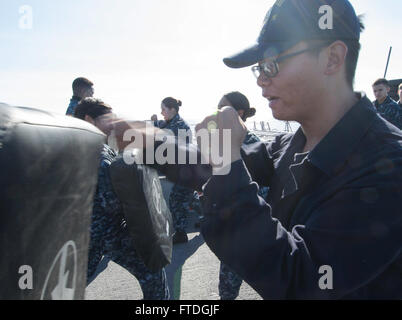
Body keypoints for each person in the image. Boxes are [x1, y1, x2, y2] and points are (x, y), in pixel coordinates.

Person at [112, 0, 402, 299]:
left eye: (271, 63)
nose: (262, 79)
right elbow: (205, 166)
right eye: (258, 68)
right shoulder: (293, 143)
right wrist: (143, 142)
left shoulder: (389, 166)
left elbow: (302, 279)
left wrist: (227, 161)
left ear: (331, 58)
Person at [74, 98, 170, 300]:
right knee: (152, 273)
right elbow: (111, 202)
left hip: (92, 234)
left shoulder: (87, 147)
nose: (113, 123)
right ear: (89, 120)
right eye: (108, 119)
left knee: (70, 285)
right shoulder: (97, 154)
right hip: (107, 232)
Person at [216, 91, 266, 300]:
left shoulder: (247, 145)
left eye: (221, 109)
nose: (216, 113)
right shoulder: (229, 141)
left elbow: (263, 190)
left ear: (238, 113)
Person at [151, 97, 195, 244]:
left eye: (163, 109)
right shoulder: (170, 123)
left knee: (176, 199)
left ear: (172, 110)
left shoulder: (181, 126)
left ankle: (181, 234)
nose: (161, 112)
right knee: (186, 198)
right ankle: (206, 215)